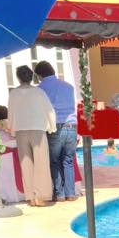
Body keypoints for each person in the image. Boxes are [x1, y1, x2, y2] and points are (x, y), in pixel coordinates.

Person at [7, 64, 55, 207]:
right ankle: (41, 196)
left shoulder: (13, 93)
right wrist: (51, 127)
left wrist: (11, 129)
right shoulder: (39, 92)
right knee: (41, 163)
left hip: (21, 130)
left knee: (25, 163)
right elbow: (49, 110)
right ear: (31, 77)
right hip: (37, 130)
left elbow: (11, 112)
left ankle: (30, 196)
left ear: (18, 78)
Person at [33, 60, 78, 202]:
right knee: (68, 160)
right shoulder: (69, 87)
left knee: (54, 161)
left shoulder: (40, 89)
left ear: (40, 75)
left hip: (54, 127)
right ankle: (70, 193)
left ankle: (59, 194)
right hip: (71, 125)